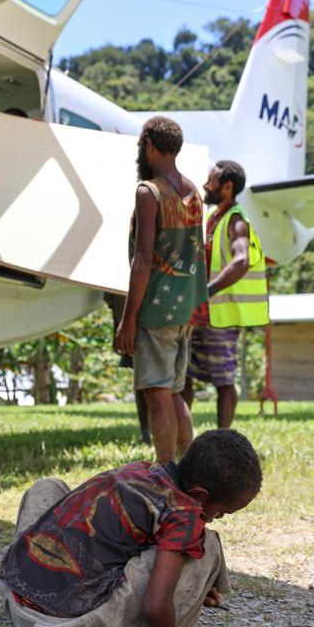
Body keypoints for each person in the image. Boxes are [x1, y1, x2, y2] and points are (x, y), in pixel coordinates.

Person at [0, 429, 262, 627]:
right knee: (208, 543)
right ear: (200, 495)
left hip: (17, 597)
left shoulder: (143, 470)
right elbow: (155, 606)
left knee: (48, 487)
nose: (219, 517)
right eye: (223, 512)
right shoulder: (185, 516)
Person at [115, 116, 207, 464]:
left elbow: (142, 262)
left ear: (150, 146)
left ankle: (167, 473)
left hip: (156, 308)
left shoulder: (149, 192)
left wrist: (129, 319)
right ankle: (187, 468)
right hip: (185, 308)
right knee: (174, 393)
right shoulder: (193, 192)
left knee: (157, 395)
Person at [183, 161, 268, 428]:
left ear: (227, 187)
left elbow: (241, 260)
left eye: (211, 182)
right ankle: (184, 441)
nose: (206, 186)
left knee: (223, 380)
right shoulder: (213, 217)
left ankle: (223, 439)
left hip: (222, 315)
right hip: (202, 314)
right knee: (183, 375)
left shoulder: (236, 219)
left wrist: (207, 291)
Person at [104, 291, 151, 444]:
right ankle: (146, 433)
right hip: (130, 317)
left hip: (153, 317)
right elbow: (112, 298)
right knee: (142, 378)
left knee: (158, 387)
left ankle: (156, 435)